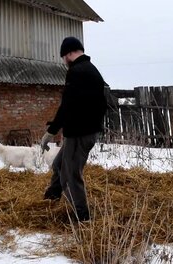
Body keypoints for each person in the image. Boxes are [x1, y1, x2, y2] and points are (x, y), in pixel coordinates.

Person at [40, 36, 107, 222]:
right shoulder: (93, 71)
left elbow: (67, 105)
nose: (64, 62)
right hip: (85, 132)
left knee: (70, 176)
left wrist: (51, 131)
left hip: (79, 134)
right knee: (59, 165)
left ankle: (82, 218)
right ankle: (51, 197)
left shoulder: (76, 71)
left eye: (63, 58)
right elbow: (102, 104)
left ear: (69, 53)